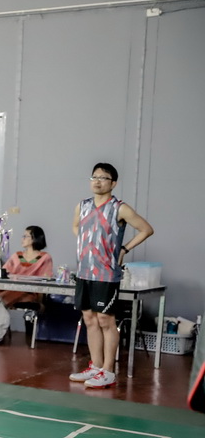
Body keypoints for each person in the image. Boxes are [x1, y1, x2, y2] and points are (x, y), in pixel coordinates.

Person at [70, 162, 153, 389]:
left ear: (113, 183)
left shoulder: (120, 208)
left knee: (105, 320)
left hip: (106, 273)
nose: (97, 181)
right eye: (94, 177)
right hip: (84, 271)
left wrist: (123, 249)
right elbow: (76, 226)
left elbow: (146, 229)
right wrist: (88, 243)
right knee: (89, 319)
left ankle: (108, 371)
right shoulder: (82, 205)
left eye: (103, 178)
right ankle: (95, 367)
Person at [0, 225, 54, 307]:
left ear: (35, 238)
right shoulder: (16, 256)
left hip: (27, 292)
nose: (22, 239)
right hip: (8, 288)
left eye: (25, 236)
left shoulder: (45, 257)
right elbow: (2, 274)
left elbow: (45, 281)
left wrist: (40, 303)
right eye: (23, 236)